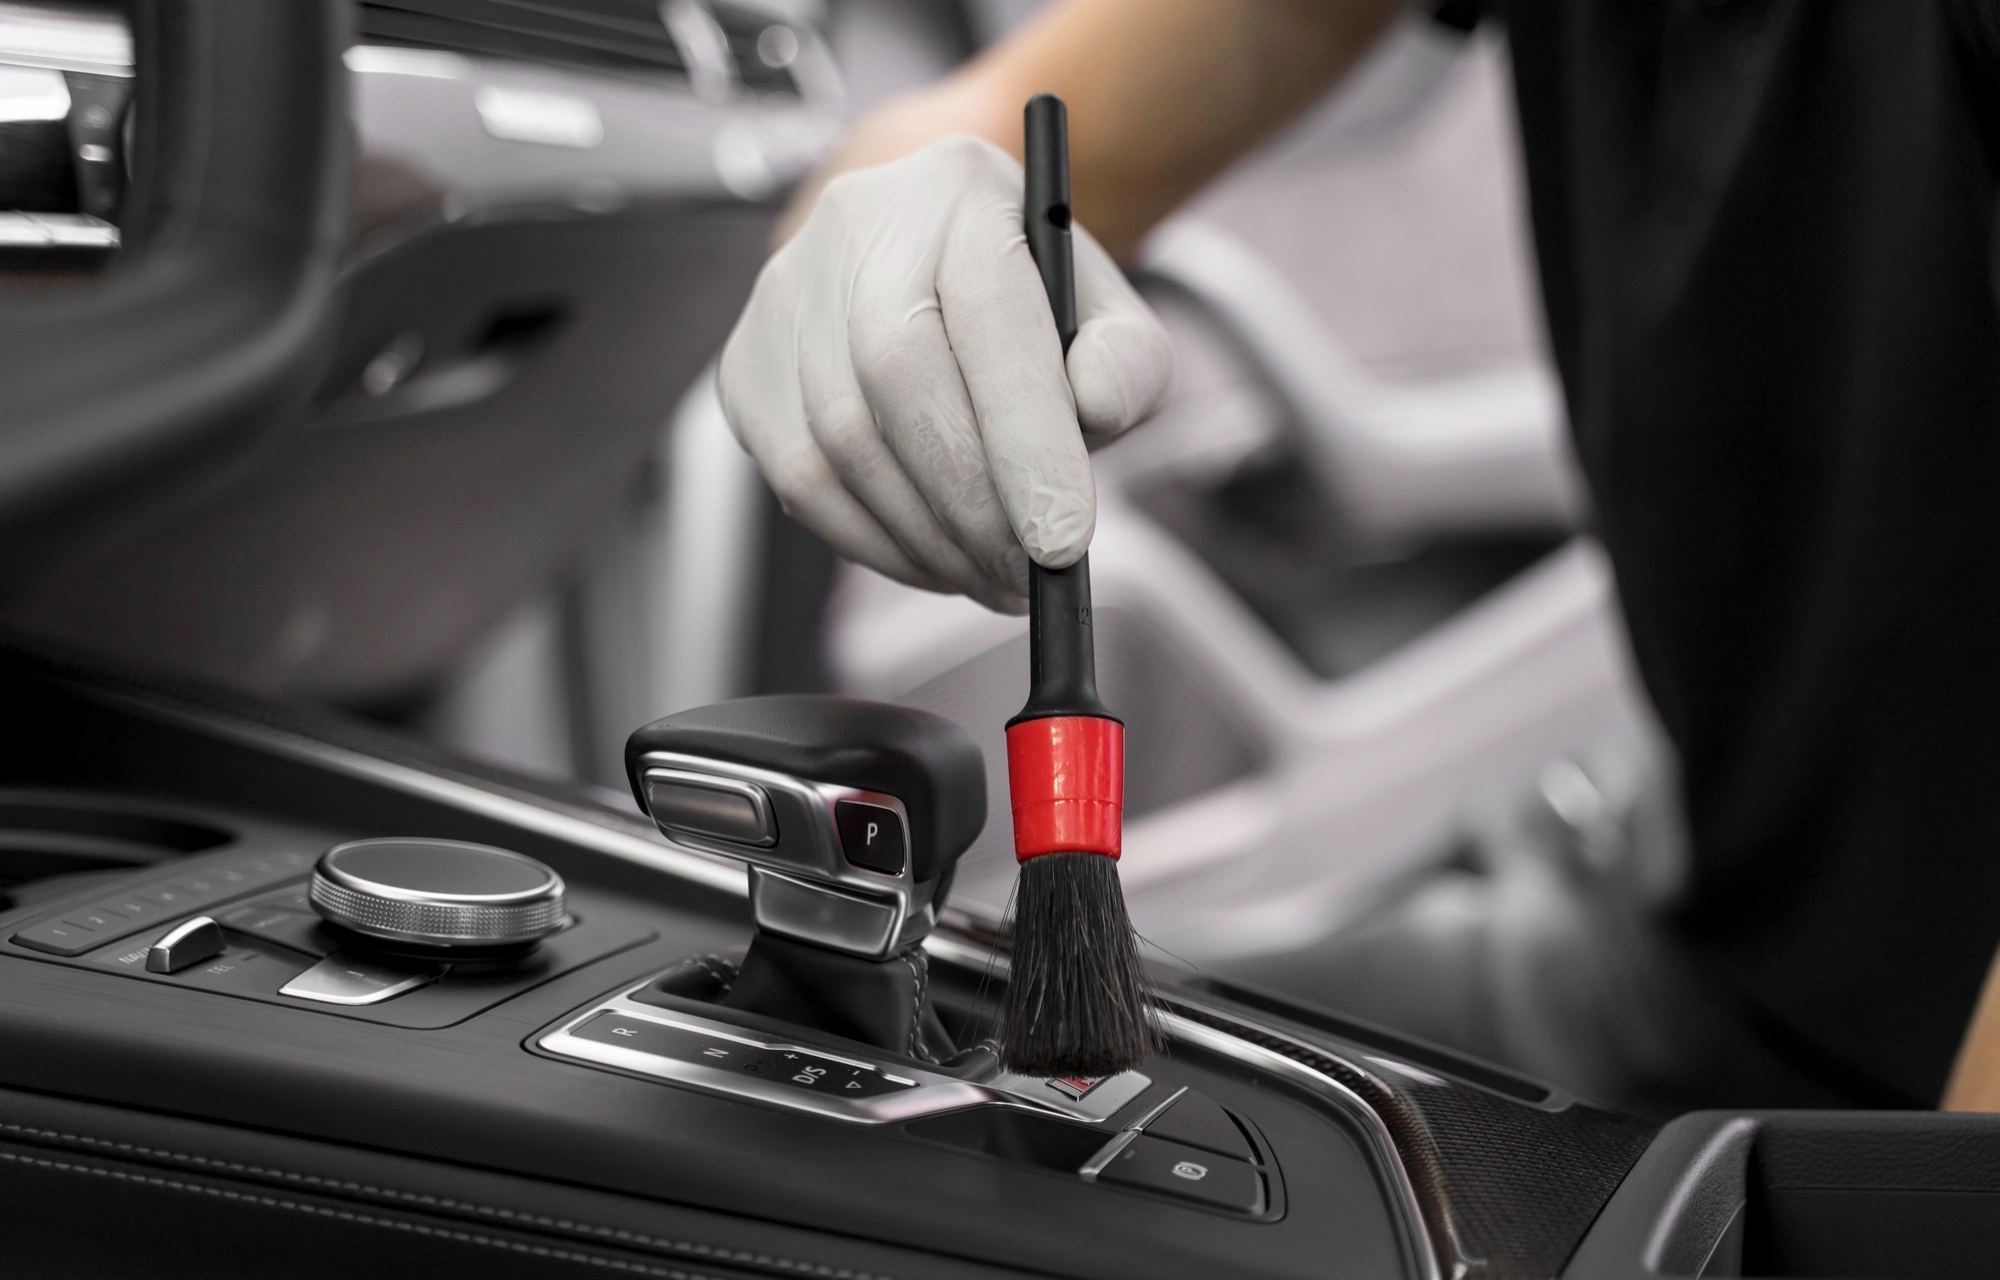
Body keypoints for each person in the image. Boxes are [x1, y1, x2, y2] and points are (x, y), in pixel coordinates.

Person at [718, 0, 2000, 1115]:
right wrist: (887, 243)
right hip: (1717, 922)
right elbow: (1072, 105)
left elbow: (1951, 1220)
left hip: (1894, 1061)